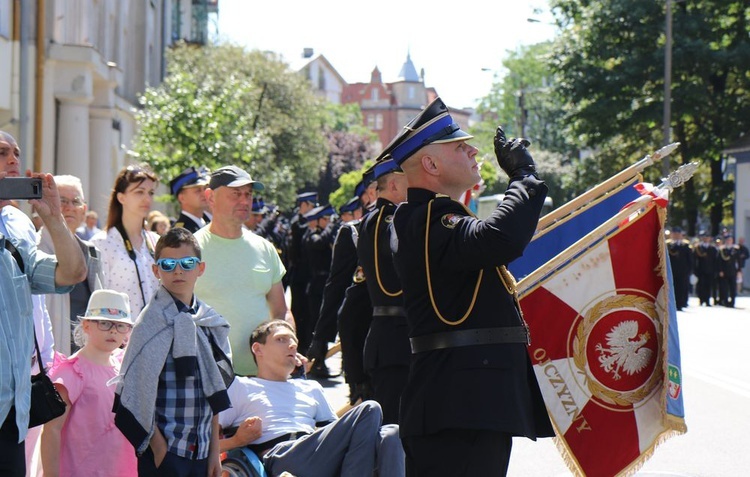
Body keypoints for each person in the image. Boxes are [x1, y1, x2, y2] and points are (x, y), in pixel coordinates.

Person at [385, 98, 554, 475]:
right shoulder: (428, 217)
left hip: (466, 400)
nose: (474, 150)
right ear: (430, 164)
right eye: (460, 146)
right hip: (460, 402)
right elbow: (499, 238)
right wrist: (523, 176)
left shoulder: (432, 217)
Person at [0, 130, 87, 477]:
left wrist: (53, 218)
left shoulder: (17, 224)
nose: (14, 161)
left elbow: (73, 272)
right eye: (2, 152)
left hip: (12, 408)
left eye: (16, 153)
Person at [113, 227, 233, 477]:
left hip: (201, 450)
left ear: (200, 268)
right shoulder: (149, 323)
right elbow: (135, 391)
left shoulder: (207, 321)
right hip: (166, 452)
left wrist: (213, 451)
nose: (178, 271)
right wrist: (158, 447)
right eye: (168, 264)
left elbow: (213, 391)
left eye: (187, 263)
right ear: (156, 270)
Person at [218, 320, 405, 477]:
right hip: (282, 456)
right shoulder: (242, 386)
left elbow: (339, 432)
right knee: (370, 408)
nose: (291, 345)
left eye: (294, 341)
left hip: (316, 452)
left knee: (390, 433)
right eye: (281, 339)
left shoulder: (310, 387)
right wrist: (236, 441)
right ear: (258, 349)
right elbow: (203, 442)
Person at [194, 165, 291, 376]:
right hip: (207, 376)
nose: (245, 201)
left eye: (248, 194)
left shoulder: (264, 248)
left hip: (259, 376)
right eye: (236, 194)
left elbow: (280, 310)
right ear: (210, 197)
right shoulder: (191, 249)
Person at [40, 289, 137, 477]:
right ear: (86, 326)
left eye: (120, 326)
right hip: (80, 469)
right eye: (105, 323)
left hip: (120, 468)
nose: (113, 331)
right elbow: (52, 429)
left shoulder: (123, 365)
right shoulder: (72, 372)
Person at [308, 177, 376, 406]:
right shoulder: (354, 233)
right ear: (367, 196)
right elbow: (336, 287)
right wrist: (321, 336)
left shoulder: (413, 225)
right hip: (363, 333)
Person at [357, 158, 410, 425]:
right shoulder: (390, 221)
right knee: (394, 431)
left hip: (391, 339)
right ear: (393, 185)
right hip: (397, 341)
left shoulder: (374, 220)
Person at [38, 175, 104, 355]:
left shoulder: (92, 253)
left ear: (84, 210)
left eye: (75, 201)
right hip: (46, 363)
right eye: (61, 200)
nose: (69, 207)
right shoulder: (33, 250)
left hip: (86, 362)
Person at [90, 164, 160, 318]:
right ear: (121, 197)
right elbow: (98, 300)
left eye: (151, 192)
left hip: (158, 336)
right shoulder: (102, 243)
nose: (147, 198)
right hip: (121, 336)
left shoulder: (157, 241)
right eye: (139, 192)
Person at [300, 203, 336, 363]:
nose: (328, 222)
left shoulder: (323, 234)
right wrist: (331, 227)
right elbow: (319, 243)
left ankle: (320, 359)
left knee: (323, 322)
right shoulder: (311, 236)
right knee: (315, 322)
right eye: (325, 219)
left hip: (323, 284)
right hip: (316, 285)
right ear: (317, 220)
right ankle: (314, 360)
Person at [170, 166, 211, 234]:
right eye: (197, 190)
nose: (204, 193)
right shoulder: (180, 232)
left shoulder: (208, 223)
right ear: (182, 198)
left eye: (204, 189)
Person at [666, 227, 692, 310]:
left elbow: (690, 259)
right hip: (671, 270)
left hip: (682, 271)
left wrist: (689, 270)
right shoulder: (667, 245)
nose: (676, 236)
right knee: (671, 288)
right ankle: (671, 305)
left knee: (681, 287)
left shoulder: (686, 245)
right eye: (674, 234)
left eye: (678, 234)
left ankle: (680, 304)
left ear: (681, 235)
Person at [693, 231, 717, 306]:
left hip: (710, 270)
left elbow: (715, 260)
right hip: (701, 270)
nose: (706, 239)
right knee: (701, 286)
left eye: (707, 237)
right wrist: (695, 270)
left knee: (708, 285)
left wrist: (715, 270)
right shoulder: (698, 248)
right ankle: (701, 299)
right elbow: (694, 259)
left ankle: (707, 300)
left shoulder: (713, 248)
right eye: (704, 237)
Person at [717, 235, 740, 307]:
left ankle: (732, 302)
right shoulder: (722, 250)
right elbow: (719, 261)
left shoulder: (735, 249)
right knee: (725, 288)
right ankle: (725, 301)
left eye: (730, 240)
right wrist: (720, 270)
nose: (729, 241)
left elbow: (738, 261)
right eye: (728, 240)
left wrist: (739, 270)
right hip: (725, 271)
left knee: (733, 288)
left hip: (733, 271)